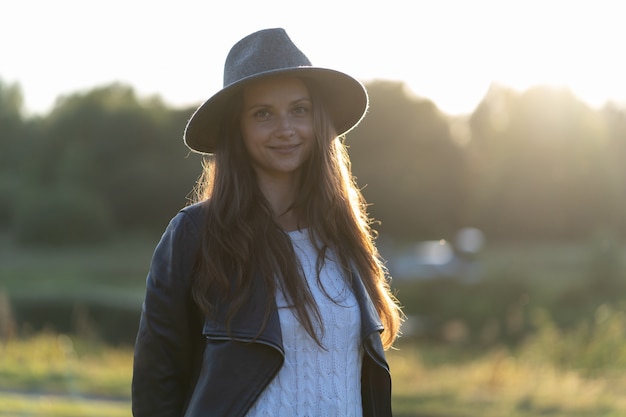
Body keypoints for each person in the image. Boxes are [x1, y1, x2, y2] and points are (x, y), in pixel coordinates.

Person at [132, 28, 403, 417]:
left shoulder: (341, 232)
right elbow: (156, 383)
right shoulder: (196, 235)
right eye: (263, 114)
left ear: (317, 118)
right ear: (237, 128)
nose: (286, 129)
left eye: (299, 109)